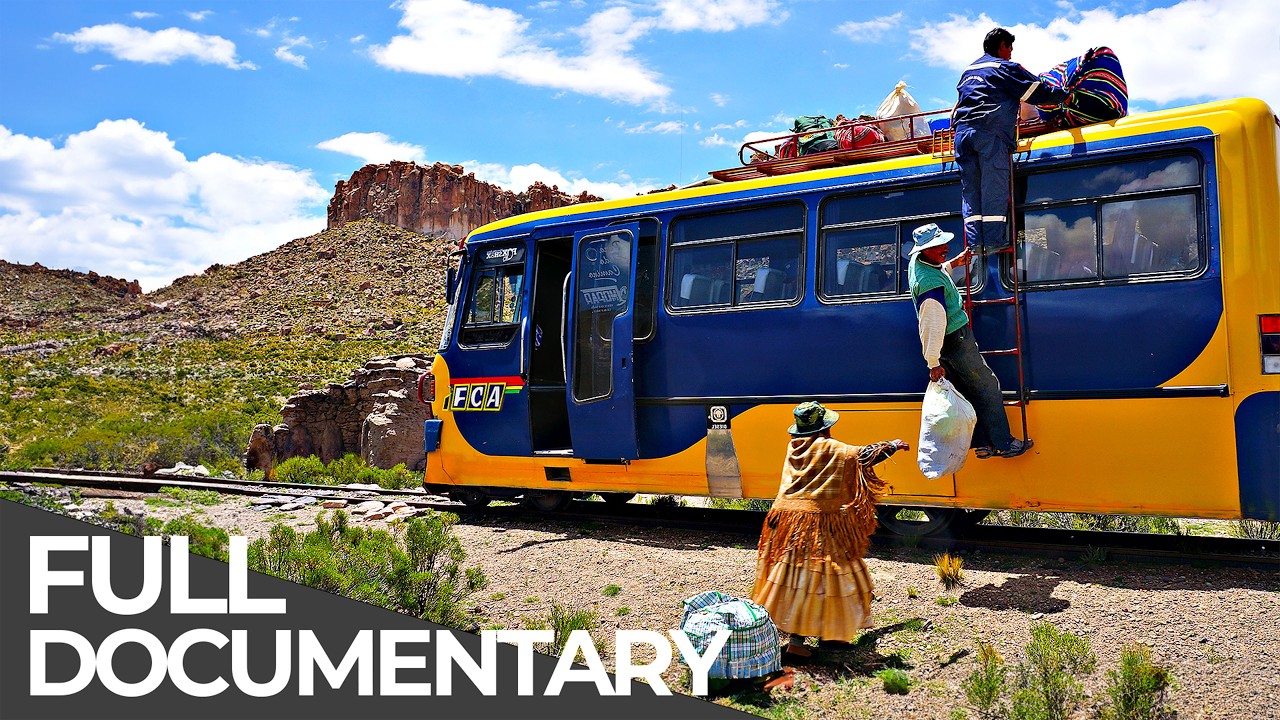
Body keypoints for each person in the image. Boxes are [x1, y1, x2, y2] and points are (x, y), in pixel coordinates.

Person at [751, 401, 909, 659]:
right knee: (824, 577)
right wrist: (893, 445)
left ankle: (830, 635)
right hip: (817, 525)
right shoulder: (829, 447)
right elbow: (863, 456)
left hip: (788, 525)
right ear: (825, 427)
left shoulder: (795, 447)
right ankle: (799, 644)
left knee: (800, 580)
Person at [908, 222, 1032, 458]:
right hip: (956, 339)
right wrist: (932, 362)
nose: (944, 248)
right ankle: (1004, 443)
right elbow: (931, 324)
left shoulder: (919, 264)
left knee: (965, 391)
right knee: (987, 387)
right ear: (923, 250)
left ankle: (982, 444)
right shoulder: (930, 286)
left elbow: (937, 268)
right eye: (937, 246)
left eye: (943, 243)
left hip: (947, 343)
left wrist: (953, 263)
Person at [953, 27, 1070, 251]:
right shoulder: (1005, 68)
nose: (1011, 53)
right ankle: (995, 240)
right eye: (1010, 48)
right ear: (1002, 45)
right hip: (990, 134)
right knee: (993, 187)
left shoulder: (968, 71)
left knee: (971, 190)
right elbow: (1036, 91)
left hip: (962, 136)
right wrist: (1065, 95)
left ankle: (976, 243)